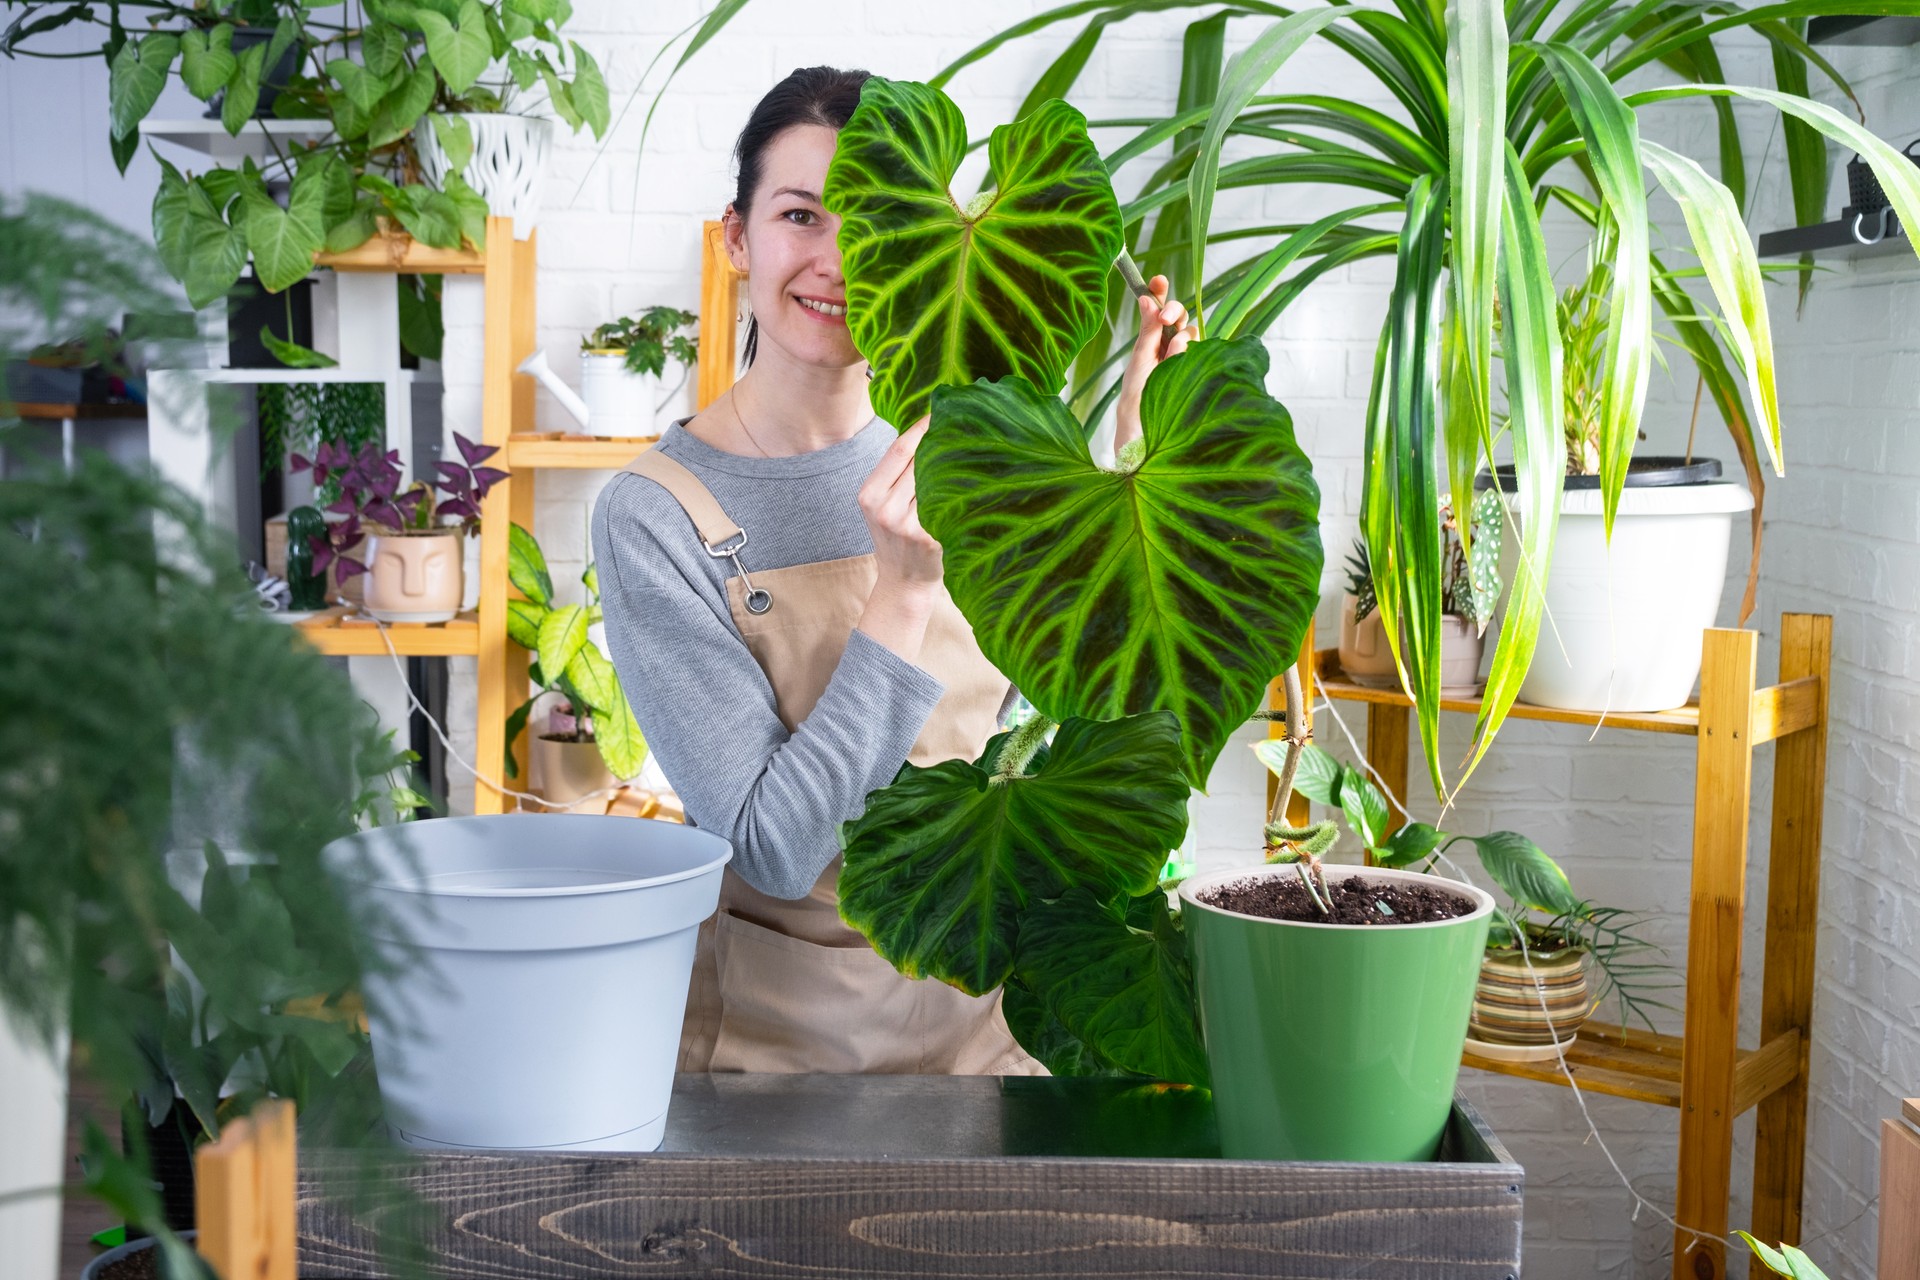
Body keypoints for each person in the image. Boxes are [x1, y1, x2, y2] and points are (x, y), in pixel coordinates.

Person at [591, 65, 1196, 1075]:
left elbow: (1090, 710)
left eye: (869, 221)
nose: (835, 258)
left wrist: (1134, 465)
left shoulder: (973, 460)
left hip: (989, 1039)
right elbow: (771, 849)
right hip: (785, 1070)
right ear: (737, 239)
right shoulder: (655, 514)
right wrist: (904, 593)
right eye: (800, 216)